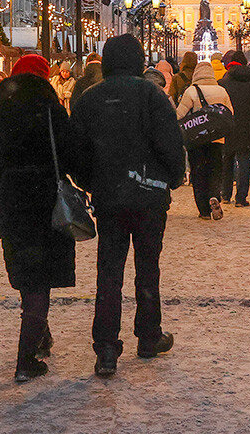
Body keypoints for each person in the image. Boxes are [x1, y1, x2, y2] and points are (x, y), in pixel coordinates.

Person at [70, 34, 185, 378]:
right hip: (149, 197)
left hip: (109, 198)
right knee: (148, 267)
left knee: (109, 272)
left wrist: (93, 183)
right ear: (138, 60)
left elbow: (75, 153)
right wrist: (171, 179)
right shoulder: (152, 95)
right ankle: (148, 336)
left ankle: (106, 347)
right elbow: (171, 144)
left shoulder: (91, 99)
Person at [0, 54, 80, 383]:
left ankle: (40, 334)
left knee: (28, 275)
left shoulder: (1, 115)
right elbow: (70, 154)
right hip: (45, 200)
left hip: (12, 198)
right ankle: (26, 360)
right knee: (41, 279)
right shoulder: (52, 111)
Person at [176, 61, 234, 220]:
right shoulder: (221, 91)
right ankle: (214, 195)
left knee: (198, 172)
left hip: (197, 139)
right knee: (215, 170)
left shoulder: (191, 91)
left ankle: (203, 210)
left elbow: (179, 115)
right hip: (217, 138)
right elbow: (230, 113)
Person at [217, 50, 250, 207]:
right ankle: (241, 198)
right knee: (245, 162)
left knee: (226, 161)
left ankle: (225, 194)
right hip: (248, 128)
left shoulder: (223, 84)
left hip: (227, 127)